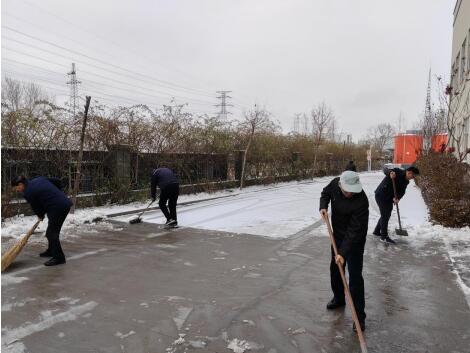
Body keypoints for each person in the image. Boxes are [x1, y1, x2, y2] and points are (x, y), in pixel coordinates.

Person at [319, 171, 369, 331]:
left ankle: (359, 317)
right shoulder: (335, 183)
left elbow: (354, 231)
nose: (349, 193)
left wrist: (342, 253)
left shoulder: (361, 201)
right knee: (335, 269)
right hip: (338, 236)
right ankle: (339, 298)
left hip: (355, 241)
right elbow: (325, 193)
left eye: (352, 190)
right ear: (340, 185)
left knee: (355, 277)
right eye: (347, 190)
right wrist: (323, 206)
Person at [11, 175, 72, 266]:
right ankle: (51, 251)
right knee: (51, 232)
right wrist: (59, 193)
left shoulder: (28, 192)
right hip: (61, 204)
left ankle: (59, 258)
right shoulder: (38, 179)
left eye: (16, 188)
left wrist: (40, 215)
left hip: (57, 207)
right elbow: (57, 180)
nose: (17, 191)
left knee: (52, 233)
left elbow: (36, 206)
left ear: (20, 184)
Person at [373, 166, 420, 244]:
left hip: (389, 198)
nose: (413, 178)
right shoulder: (397, 171)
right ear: (409, 172)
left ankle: (377, 231)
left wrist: (397, 198)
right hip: (381, 195)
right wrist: (390, 173)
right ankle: (384, 237)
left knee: (386, 214)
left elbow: (402, 191)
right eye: (413, 176)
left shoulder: (406, 181)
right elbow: (384, 169)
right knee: (385, 215)